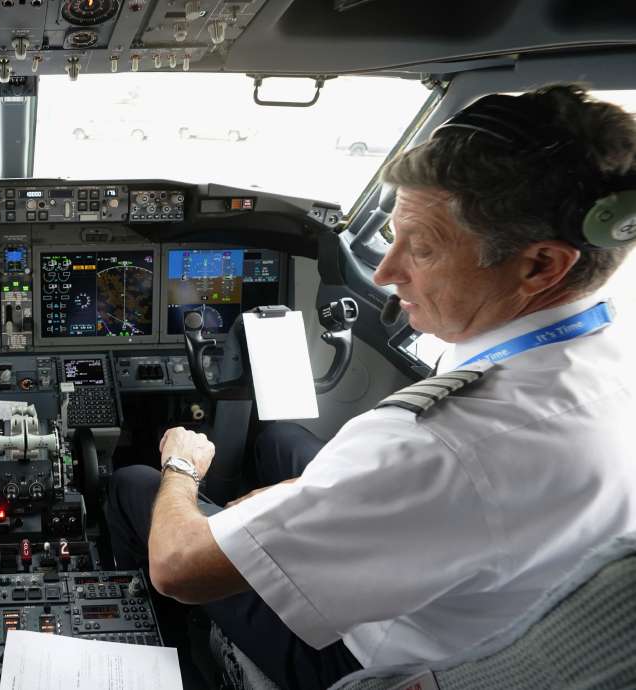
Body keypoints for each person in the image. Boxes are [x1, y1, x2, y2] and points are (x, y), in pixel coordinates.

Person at [107, 83, 636, 689]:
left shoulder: (441, 443)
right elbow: (407, 483)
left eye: (423, 248)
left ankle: (167, 645)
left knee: (136, 484)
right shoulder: (611, 358)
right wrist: (290, 502)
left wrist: (181, 467)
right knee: (280, 439)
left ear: (541, 265)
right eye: (392, 236)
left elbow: (178, 566)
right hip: (478, 602)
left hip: (374, 658)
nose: (385, 271)